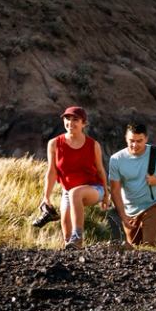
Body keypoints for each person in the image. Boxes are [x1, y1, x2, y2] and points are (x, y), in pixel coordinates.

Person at [105, 121, 156, 248]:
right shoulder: (116, 159)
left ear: (146, 138)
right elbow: (115, 191)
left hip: (152, 205)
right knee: (132, 249)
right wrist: (123, 216)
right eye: (131, 140)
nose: (135, 145)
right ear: (126, 138)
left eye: (139, 141)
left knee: (149, 246)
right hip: (129, 210)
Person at [42, 105, 109, 248]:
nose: (70, 123)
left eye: (75, 120)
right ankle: (74, 259)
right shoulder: (54, 144)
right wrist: (46, 197)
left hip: (94, 188)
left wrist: (106, 195)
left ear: (84, 123)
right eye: (67, 118)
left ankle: (78, 236)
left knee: (75, 193)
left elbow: (101, 170)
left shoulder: (93, 145)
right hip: (68, 192)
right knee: (67, 239)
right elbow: (52, 172)